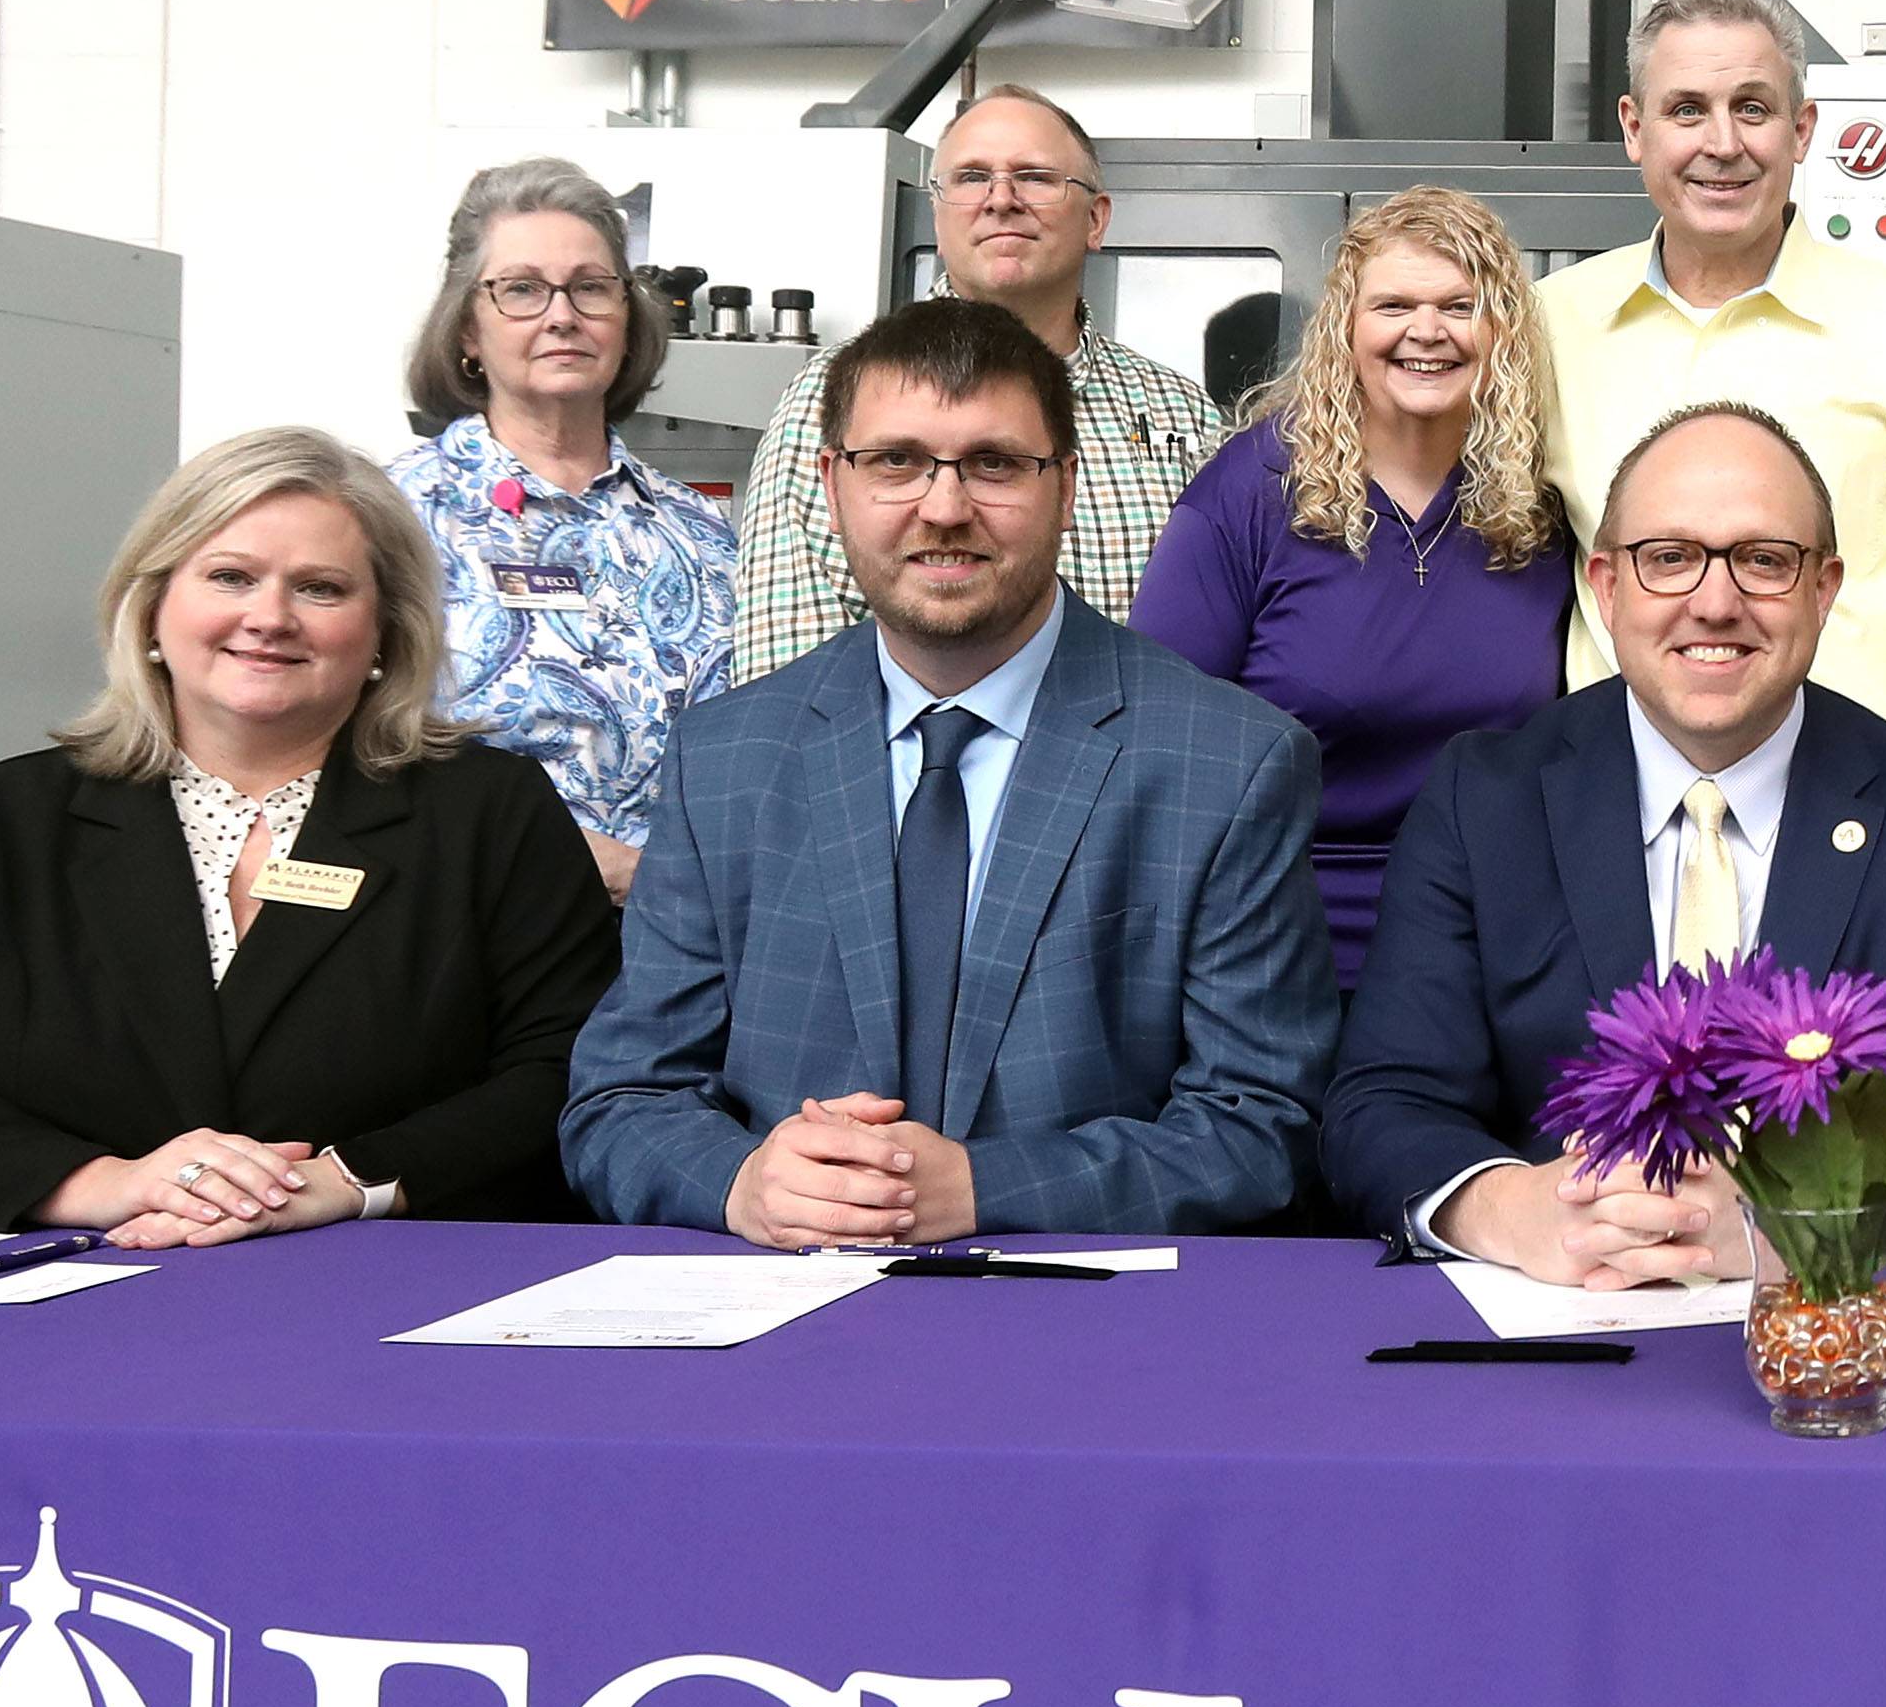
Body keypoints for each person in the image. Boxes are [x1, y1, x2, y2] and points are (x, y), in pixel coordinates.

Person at [562, 298, 1334, 1242]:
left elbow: (1262, 1128)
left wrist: (981, 1187)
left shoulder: (1228, 763)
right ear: (831, 484)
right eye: (896, 461)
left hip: (1076, 1306)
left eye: (995, 463)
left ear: (1066, 485)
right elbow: (621, 1100)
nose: (944, 507)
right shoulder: (724, 759)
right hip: (782, 1299)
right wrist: (743, 1181)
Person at [0, 428, 620, 1233]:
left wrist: (349, 1181)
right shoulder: (10, 816)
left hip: (392, 1271)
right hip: (84, 1268)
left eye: (321, 589)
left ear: (386, 628)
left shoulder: (490, 811)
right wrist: (107, 1185)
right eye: (230, 577)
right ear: (153, 607)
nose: (269, 617)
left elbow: (573, 1067)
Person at [1329, 400, 1886, 1283]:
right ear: (1606, 588)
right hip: (1555, 1319)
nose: (1714, 603)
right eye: (1668, 558)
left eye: (1764, 560)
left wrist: (1786, 1227)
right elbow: (1382, 1104)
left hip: (1827, 1329)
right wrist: (1512, 1209)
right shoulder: (1484, 800)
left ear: (1824, 590)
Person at [1539, 0, 1886, 787]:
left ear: (1802, 129)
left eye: (1752, 108)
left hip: (1872, 803)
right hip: (1629, 805)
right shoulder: (1551, 328)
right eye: (1686, 110)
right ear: (1634, 129)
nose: (1723, 143)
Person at [1133, 185, 1579, 972]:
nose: (1427, 331)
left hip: (1490, 938)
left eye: (1460, 306)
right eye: (1394, 305)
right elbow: (1155, 738)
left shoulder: (1542, 505)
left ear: (1501, 332)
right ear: (1346, 326)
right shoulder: (1250, 494)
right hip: (1280, 937)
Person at [723, 85, 1222, 684]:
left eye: (1035, 177)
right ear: (938, 218)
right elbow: (791, 685)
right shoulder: (830, 396)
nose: (1001, 200)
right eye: (971, 178)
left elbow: (1215, 659)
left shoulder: (1180, 413)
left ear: (1095, 219)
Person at [387, 158, 738, 905]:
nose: (561, 315)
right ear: (467, 328)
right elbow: (348, 754)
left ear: (627, 319)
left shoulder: (703, 530)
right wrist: (593, 865)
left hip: (687, 938)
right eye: (521, 289)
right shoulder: (395, 517)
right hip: (476, 927)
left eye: (590, 287)